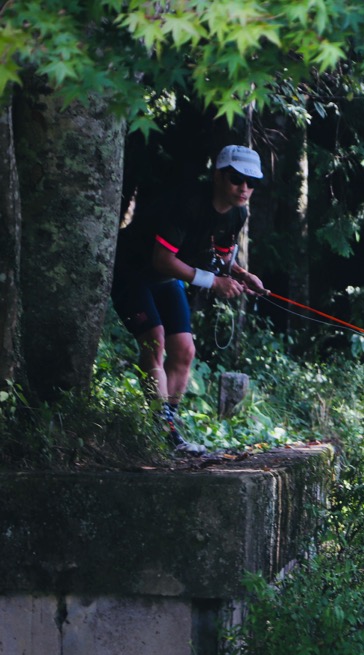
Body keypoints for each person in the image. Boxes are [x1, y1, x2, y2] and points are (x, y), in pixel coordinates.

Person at [112, 144, 267, 455]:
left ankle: (168, 428)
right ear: (218, 177)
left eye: (252, 182)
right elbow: (161, 259)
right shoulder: (187, 203)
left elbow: (220, 256)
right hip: (132, 269)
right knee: (154, 339)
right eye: (237, 179)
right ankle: (163, 433)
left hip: (168, 277)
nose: (244, 188)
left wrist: (239, 274)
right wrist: (213, 282)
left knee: (184, 351)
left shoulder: (238, 213)